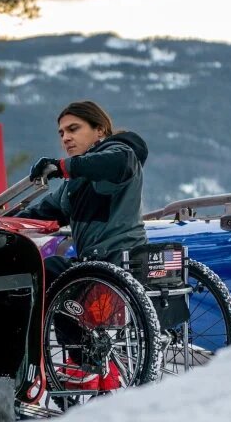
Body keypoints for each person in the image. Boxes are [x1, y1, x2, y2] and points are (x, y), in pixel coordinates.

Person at [18, 100, 149, 285]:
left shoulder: (121, 153)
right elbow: (41, 213)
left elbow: (113, 163)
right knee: (42, 268)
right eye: (62, 133)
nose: (65, 138)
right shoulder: (74, 183)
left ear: (100, 130)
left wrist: (60, 166)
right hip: (93, 263)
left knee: (44, 274)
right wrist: (1, 223)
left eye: (73, 129)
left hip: (120, 260)